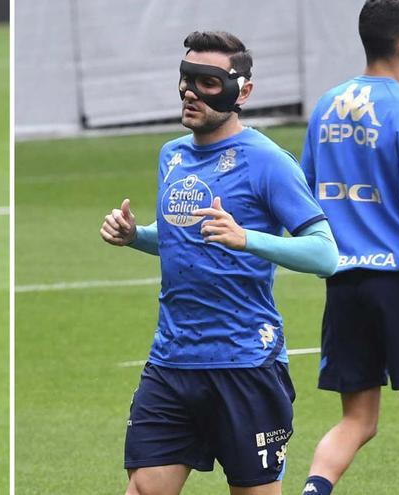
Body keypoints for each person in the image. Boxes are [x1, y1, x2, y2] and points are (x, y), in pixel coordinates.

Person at [100, 31, 339, 495]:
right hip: (172, 361)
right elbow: (181, 239)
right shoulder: (172, 155)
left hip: (246, 364)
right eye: (185, 79)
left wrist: (246, 238)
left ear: (242, 91)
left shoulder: (268, 161)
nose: (190, 91)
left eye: (207, 82)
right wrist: (136, 237)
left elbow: (325, 253)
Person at [298, 1, 399, 494]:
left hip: (344, 284)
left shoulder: (326, 105)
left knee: (358, 420)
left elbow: (303, 194)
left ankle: (313, 489)